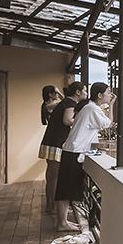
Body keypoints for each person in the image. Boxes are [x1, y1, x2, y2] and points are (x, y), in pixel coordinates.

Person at [55, 82, 115, 231]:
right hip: (74, 152)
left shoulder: (89, 108)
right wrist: (112, 105)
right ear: (100, 95)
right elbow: (108, 123)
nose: (110, 95)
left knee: (67, 188)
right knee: (65, 189)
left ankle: (63, 222)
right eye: (108, 92)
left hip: (72, 150)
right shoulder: (92, 109)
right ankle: (61, 223)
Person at [39, 81, 86, 214]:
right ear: (78, 92)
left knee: (52, 176)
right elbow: (67, 121)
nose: (86, 94)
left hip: (52, 141)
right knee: (54, 176)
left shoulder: (66, 102)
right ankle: (51, 207)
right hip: (56, 142)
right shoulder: (70, 103)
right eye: (85, 90)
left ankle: (50, 205)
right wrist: (81, 120)